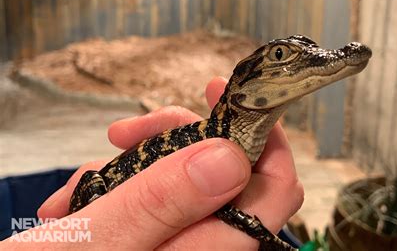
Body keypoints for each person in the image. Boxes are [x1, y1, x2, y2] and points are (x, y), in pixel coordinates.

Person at [0, 77, 304, 249]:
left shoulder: (220, 143)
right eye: (280, 56)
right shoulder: (216, 148)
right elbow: (224, 208)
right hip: (101, 191)